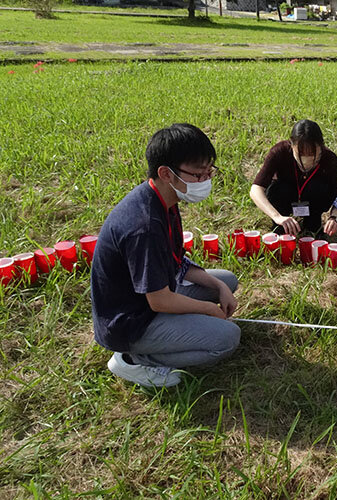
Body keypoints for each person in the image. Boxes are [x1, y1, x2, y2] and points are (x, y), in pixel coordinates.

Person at [91, 123, 241, 388]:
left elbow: (177, 261)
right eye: (198, 175)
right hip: (132, 321)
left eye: (209, 172)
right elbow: (159, 301)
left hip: (152, 295)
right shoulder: (144, 226)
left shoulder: (163, 198)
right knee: (227, 338)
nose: (205, 181)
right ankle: (134, 359)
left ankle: (180, 326)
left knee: (226, 281)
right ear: (166, 173)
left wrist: (217, 286)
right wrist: (207, 310)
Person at [251, 120, 337, 239]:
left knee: (319, 188)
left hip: (314, 200)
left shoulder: (329, 159)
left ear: (321, 145)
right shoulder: (279, 152)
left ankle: (313, 221)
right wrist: (277, 216)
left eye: (312, 153)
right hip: (286, 199)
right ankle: (282, 224)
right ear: (291, 144)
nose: (306, 158)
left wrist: (335, 217)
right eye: (300, 153)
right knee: (278, 189)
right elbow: (256, 189)